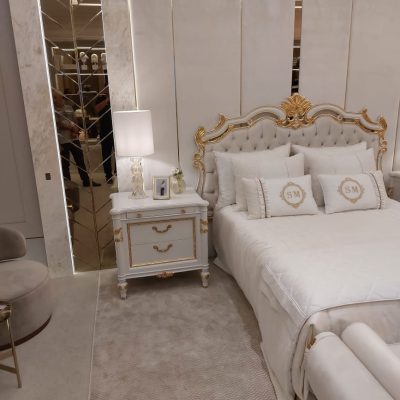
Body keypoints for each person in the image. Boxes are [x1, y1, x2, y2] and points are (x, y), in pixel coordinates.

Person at [52, 89, 101, 187]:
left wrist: (75, 130)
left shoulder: (69, 108)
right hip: (62, 140)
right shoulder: (53, 110)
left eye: (57, 97)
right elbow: (58, 124)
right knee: (65, 163)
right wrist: (71, 128)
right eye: (55, 97)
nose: (56, 99)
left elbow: (75, 120)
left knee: (80, 161)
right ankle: (68, 185)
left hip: (73, 138)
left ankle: (86, 181)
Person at [95, 87, 115, 184]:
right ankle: (108, 176)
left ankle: (118, 173)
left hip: (117, 131)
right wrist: (108, 99)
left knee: (119, 154)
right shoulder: (100, 98)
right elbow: (97, 109)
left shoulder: (118, 98)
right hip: (105, 131)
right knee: (106, 155)